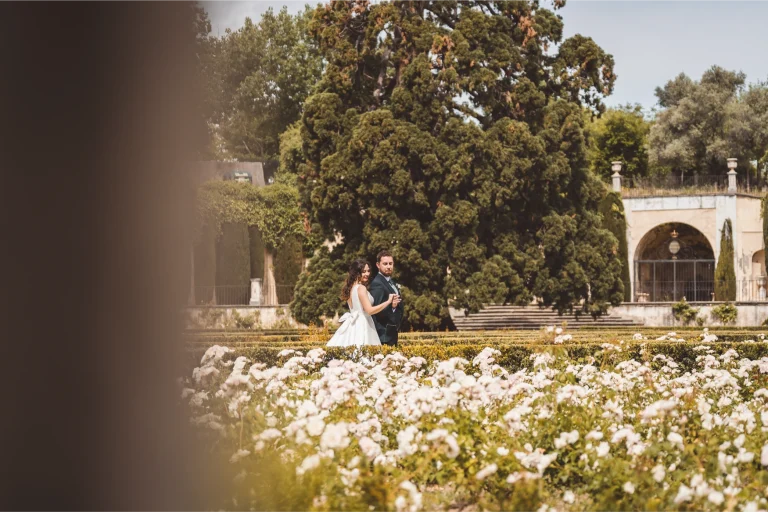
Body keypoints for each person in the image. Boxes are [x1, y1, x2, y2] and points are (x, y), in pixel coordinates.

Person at [326, 259, 397, 347]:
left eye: (368, 271)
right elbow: (369, 310)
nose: (367, 274)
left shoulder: (350, 288)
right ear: (356, 273)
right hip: (363, 324)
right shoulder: (361, 288)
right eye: (364, 272)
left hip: (353, 325)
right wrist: (388, 301)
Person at [368, 250, 404, 346]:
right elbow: (376, 311)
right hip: (383, 334)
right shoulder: (377, 284)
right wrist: (392, 307)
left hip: (392, 332)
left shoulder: (390, 281)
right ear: (378, 265)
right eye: (385, 264)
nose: (388, 266)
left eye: (390, 263)